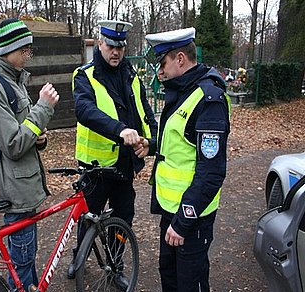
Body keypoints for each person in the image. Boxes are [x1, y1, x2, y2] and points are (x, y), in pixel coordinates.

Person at [0, 18, 59, 291]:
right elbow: (13, 143)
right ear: (10, 49)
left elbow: (24, 131)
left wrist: (40, 138)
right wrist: (44, 108)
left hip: (24, 186)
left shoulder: (11, 81)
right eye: (25, 49)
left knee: (25, 264)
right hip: (15, 190)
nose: (29, 54)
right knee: (22, 268)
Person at [70, 19, 158, 290]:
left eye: (120, 46)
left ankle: (115, 264)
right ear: (100, 44)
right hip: (95, 168)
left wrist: (151, 142)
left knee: (123, 218)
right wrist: (120, 130)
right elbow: (85, 111)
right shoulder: (85, 75)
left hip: (124, 166)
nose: (116, 51)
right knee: (89, 217)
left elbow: (146, 113)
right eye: (110, 45)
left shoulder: (131, 76)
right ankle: (79, 258)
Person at [145, 27, 231, 292]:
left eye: (163, 63)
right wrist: (151, 146)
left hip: (190, 219)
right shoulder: (183, 90)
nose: (160, 72)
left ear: (180, 59)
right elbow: (181, 142)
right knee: (169, 277)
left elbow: (212, 172)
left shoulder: (208, 99)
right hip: (171, 211)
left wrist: (182, 222)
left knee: (189, 284)